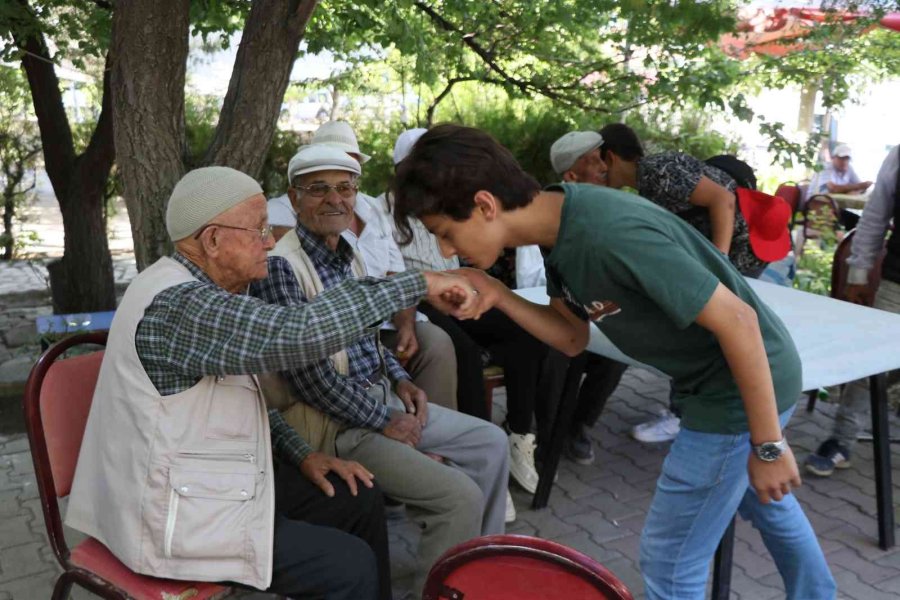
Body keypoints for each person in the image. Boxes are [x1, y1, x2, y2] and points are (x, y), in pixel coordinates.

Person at [392, 124, 836, 600]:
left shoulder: (607, 232)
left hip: (733, 388)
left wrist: (768, 444)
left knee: (670, 562)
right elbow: (569, 336)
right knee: (769, 502)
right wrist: (499, 294)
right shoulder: (559, 225)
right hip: (730, 378)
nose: (445, 250)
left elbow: (740, 321)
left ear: (484, 205)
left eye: (444, 233)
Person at [65, 166, 480, 600]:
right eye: (258, 229)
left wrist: (303, 455)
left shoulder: (202, 288)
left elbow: (237, 399)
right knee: (347, 565)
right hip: (168, 515)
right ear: (211, 240)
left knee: (357, 496)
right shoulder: (180, 306)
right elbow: (300, 334)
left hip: (203, 483)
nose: (269, 240)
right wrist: (419, 283)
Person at [250, 145, 509, 595]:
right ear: (293, 200)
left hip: (381, 399)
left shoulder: (348, 251)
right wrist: (383, 418)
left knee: (491, 443)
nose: (335, 199)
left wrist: (401, 378)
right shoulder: (280, 267)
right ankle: (439, 590)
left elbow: (369, 336)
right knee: (457, 496)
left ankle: (470, 575)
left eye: (345, 187)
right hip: (338, 424)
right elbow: (308, 376)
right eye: (319, 189)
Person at [389, 127, 556, 498]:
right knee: (460, 348)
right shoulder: (385, 211)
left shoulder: (453, 202)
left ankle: (518, 435)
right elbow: (388, 272)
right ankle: (482, 454)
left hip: (458, 290)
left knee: (525, 330)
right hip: (419, 301)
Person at [596, 123, 786, 442]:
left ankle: (690, 418)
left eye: (599, 166)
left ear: (612, 158)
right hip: (735, 252)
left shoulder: (657, 171)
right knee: (694, 327)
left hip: (739, 253)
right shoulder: (650, 179)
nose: (598, 175)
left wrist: (719, 261)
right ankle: (689, 411)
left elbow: (723, 200)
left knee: (703, 330)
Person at [311, 121, 459, 411]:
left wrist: (406, 324)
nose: (344, 172)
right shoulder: (298, 211)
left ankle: (440, 434)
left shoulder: (372, 209)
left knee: (436, 342)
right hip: (339, 329)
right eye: (335, 163)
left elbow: (395, 274)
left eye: (350, 165)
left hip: (388, 322)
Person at [804, 144, 900, 476]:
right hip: (897, 282)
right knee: (870, 363)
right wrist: (858, 273)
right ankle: (841, 441)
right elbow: (875, 216)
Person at [806, 144, 872, 200]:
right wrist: (857, 187)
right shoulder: (825, 167)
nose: (844, 162)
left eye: (847, 159)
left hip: (833, 207)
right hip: (815, 206)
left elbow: (861, 188)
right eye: (841, 158)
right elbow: (833, 189)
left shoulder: (849, 168)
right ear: (833, 158)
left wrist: (856, 189)